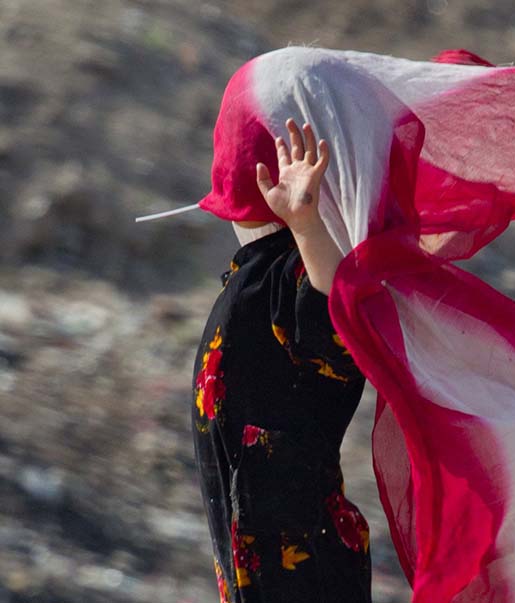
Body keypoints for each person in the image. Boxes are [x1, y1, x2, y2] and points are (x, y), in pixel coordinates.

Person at [192, 118, 372, 603]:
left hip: (305, 569)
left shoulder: (289, 269)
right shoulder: (254, 274)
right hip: (261, 570)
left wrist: (307, 224)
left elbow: (340, 331)